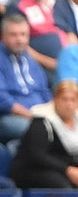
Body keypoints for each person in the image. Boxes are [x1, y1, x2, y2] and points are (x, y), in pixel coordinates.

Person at [10, 80, 78, 189]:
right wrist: (67, 170)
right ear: (55, 100)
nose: (68, 104)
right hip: (39, 169)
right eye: (64, 99)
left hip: (75, 168)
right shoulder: (42, 121)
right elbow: (38, 156)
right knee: (62, 185)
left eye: (73, 100)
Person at [0, 14, 51, 142]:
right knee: (40, 130)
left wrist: (52, 113)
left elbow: (44, 91)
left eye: (23, 34)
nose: (19, 39)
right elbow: (4, 100)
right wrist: (33, 117)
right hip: (12, 116)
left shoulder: (29, 59)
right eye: (13, 34)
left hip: (40, 114)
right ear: (3, 36)